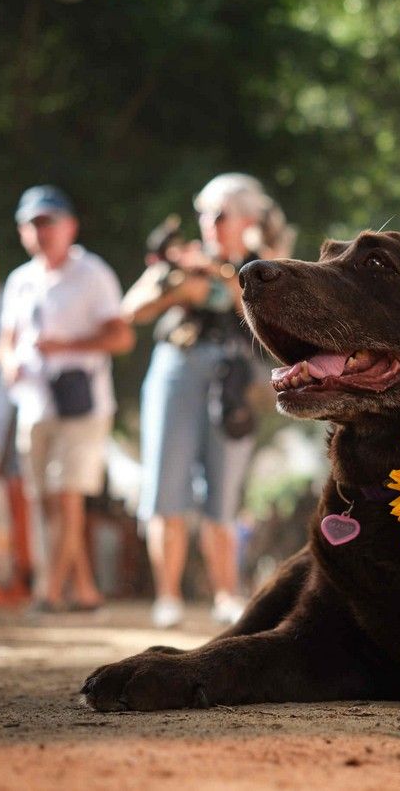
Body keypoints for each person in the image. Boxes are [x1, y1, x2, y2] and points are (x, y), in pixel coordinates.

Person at [124, 174, 276, 629]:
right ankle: (167, 597)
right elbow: (131, 310)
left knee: (224, 487)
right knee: (166, 482)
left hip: (234, 379)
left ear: (247, 218)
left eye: (221, 213)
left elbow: (261, 314)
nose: (210, 222)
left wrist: (217, 278)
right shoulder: (180, 258)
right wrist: (176, 285)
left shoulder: (259, 264)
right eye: (206, 213)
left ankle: (226, 595)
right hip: (177, 368)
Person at [0, 186, 133, 613]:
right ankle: (85, 589)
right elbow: (6, 340)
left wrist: (66, 345)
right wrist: (7, 366)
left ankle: (48, 591)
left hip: (82, 402)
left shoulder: (93, 273)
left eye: (49, 222)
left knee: (67, 494)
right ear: (22, 231)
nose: (43, 231)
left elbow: (121, 336)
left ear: (69, 226)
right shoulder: (20, 281)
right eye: (34, 224)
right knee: (44, 499)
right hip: (33, 403)